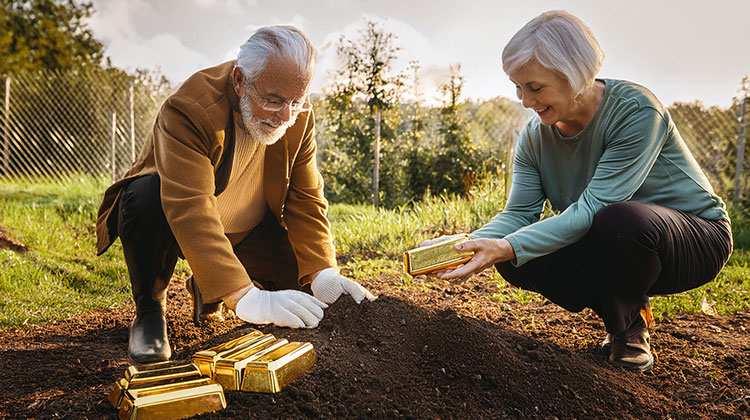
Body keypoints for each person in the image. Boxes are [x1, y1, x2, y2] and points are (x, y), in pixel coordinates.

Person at [424, 10, 732, 372]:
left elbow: (592, 210)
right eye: (518, 87)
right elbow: (518, 215)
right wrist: (465, 244)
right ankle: (624, 313)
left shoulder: (636, 111)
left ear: (574, 74)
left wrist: (508, 245)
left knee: (616, 221)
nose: (524, 100)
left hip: (695, 237)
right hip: (612, 236)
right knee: (515, 259)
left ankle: (628, 328)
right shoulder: (535, 139)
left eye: (535, 87)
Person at [95, 26, 376, 364]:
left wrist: (323, 273)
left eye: (296, 102)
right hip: (174, 222)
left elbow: (306, 198)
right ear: (241, 80)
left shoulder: (298, 116)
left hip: (250, 229)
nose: (285, 116)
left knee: (303, 295)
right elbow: (191, 209)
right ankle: (150, 313)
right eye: (273, 100)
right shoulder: (187, 110)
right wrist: (244, 296)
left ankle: (208, 284)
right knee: (144, 195)